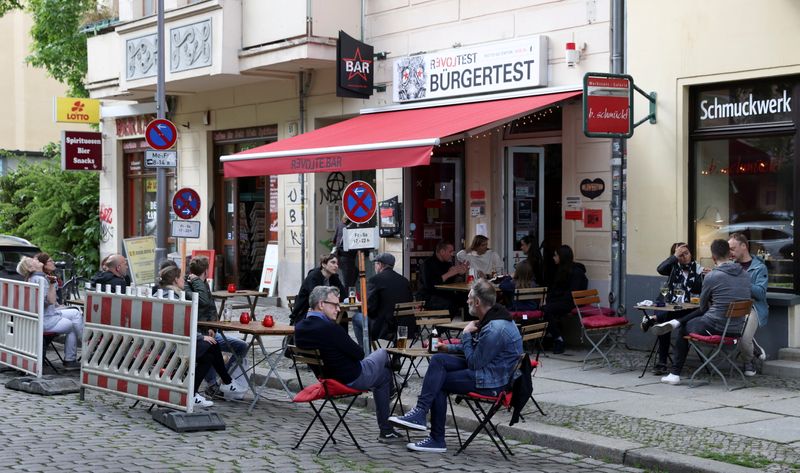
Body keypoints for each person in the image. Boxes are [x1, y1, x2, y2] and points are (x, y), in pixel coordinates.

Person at [389, 279, 522, 453]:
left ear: (477, 302)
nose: (466, 301)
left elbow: (474, 362)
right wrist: (447, 348)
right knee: (439, 360)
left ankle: (437, 439)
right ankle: (420, 413)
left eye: (469, 298)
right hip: (488, 369)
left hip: (492, 381)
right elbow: (479, 350)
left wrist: (465, 334)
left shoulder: (495, 328)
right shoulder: (494, 317)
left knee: (440, 383)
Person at [294, 286, 402, 442]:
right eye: (334, 305)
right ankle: (394, 388)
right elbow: (359, 354)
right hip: (352, 377)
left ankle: (387, 428)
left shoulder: (300, 328)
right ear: (321, 304)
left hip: (327, 378)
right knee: (383, 353)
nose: (338, 309)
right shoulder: (330, 328)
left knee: (384, 376)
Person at [653, 239, 751, 385]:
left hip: (716, 327)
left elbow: (703, 307)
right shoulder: (745, 275)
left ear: (713, 258)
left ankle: (674, 374)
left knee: (683, 329)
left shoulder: (712, 276)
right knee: (686, 321)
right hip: (736, 329)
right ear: (730, 254)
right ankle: (675, 322)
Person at [152, 265, 241, 407]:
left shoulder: (159, 294)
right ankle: (225, 382)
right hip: (173, 346)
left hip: (163, 343)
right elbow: (178, 327)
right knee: (212, 345)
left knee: (209, 355)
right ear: (175, 280)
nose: (183, 280)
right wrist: (200, 337)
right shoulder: (173, 298)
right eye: (181, 277)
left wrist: (199, 336)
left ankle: (196, 392)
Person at [185, 255, 249, 398]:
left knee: (242, 346)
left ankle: (223, 380)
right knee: (210, 347)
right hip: (197, 334)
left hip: (208, 331)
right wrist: (197, 282)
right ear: (206, 271)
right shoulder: (188, 285)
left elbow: (211, 309)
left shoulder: (204, 284)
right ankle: (212, 385)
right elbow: (203, 302)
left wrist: (213, 328)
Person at [641, 242, 707, 375]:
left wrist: (708, 276)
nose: (685, 257)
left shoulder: (699, 270)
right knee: (664, 324)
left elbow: (703, 294)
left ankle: (652, 319)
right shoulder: (672, 268)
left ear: (691, 253)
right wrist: (675, 257)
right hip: (671, 307)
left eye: (686, 253)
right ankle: (662, 362)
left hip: (689, 310)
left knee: (671, 322)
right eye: (680, 255)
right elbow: (660, 269)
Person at [18, 255, 84, 370]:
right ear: (30, 268)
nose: (35, 260)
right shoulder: (41, 279)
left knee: (75, 313)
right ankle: (75, 356)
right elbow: (50, 301)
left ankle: (75, 355)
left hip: (39, 316)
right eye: (32, 260)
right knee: (74, 321)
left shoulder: (32, 278)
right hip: (46, 320)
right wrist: (53, 284)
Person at [352, 253, 413, 347]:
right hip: (405, 327)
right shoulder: (404, 281)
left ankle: (365, 353)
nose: (375, 267)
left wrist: (360, 305)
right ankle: (396, 358)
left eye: (375, 264)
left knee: (356, 317)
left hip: (384, 328)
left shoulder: (374, 280)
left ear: (380, 265)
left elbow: (368, 308)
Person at [728, 233, 768, 376]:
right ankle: (754, 347)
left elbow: (761, 294)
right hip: (732, 307)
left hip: (752, 308)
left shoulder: (759, 268)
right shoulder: (730, 266)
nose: (730, 252)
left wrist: (743, 280)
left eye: (732, 248)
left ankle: (748, 361)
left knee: (744, 339)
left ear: (744, 246)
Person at [541, 245, 587, 354]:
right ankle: (553, 337)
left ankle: (558, 338)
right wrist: (548, 299)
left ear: (562, 257)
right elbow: (555, 289)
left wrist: (553, 300)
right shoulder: (560, 270)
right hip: (563, 301)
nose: (553, 258)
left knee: (547, 310)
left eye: (556, 255)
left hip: (571, 302)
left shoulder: (576, 272)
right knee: (545, 309)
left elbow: (571, 293)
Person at [289, 254, 346, 325]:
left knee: (342, 314)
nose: (336, 266)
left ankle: (340, 335)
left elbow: (343, 294)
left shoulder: (334, 277)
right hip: (306, 311)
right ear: (324, 265)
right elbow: (315, 298)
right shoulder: (313, 276)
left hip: (324, 307)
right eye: (333, 262)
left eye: (337, 264)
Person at [416, 241, 469, 316]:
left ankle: (468, 326)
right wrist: (449, 273)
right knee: (450, 304)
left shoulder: (447, 263)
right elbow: (430, 286)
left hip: (444, 294)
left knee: (467, 300)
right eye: (450, 252)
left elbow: (451, 282)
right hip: (427, 297)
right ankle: (442, 327)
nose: (452, 254)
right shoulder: (427, 264)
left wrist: (460, 273)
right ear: (442, 251)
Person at [333, 214, 358, 290]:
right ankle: (348, 299)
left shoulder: (340, 225)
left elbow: (334, 240)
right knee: (349, 282)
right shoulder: (353, 227)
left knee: (354, 273)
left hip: (340, 256)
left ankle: (349, 296)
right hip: (347, 257)